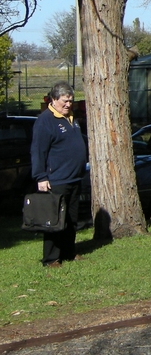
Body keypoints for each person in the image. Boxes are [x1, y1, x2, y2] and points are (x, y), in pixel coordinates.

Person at [31, 81, 88, 268]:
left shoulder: (71, 118)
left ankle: (68, 252)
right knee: (54, 220)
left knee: (71, 219)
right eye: (64, 101)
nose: (68, 104)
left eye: (71, 101)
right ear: (54, 99)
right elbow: (38, 151)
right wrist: (41, 177)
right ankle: (51, 259)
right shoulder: (44, 121)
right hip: (56, 179)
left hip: (74, 177)